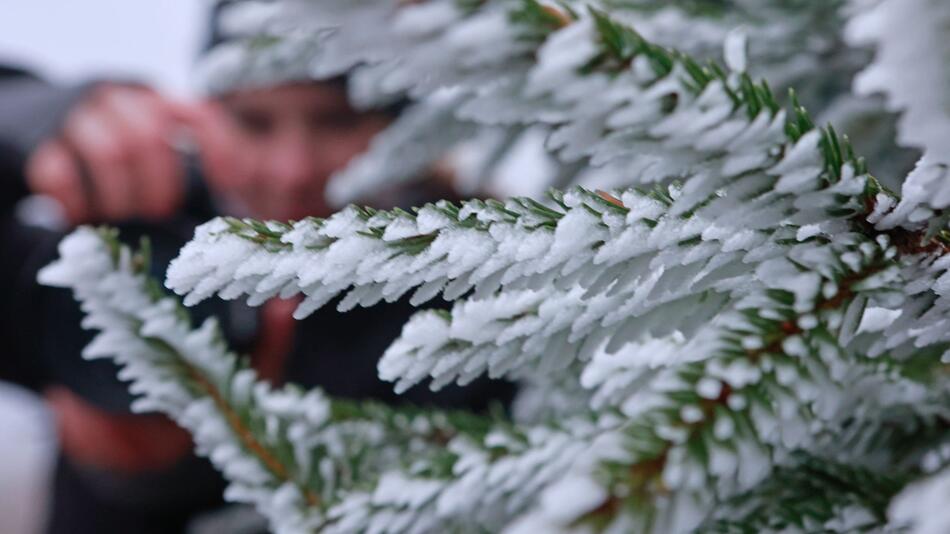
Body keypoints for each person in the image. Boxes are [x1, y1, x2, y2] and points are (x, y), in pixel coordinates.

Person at [0, 6, 512, 534]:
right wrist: (30, 117)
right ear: (202, 115)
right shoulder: (130, 242)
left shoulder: (489, 300)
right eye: (253, 121)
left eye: (337, 119)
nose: (292, 170)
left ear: (406, 129)